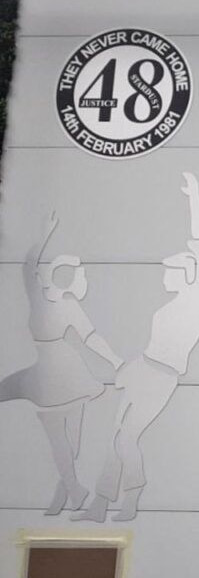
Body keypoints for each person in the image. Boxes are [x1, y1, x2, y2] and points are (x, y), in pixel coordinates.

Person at [77, 173, 199, 523]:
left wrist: (193, 196)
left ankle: (132, 498)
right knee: (114, 434)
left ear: (188, 273)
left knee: (127, 438)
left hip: (163, 375)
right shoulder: (173, 303)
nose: (165, 274)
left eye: (172, 268)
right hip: (144, 365)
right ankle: (99, 504)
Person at [0, 213, 123, 515]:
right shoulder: (43, 300)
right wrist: (45, 233)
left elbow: (92, 338)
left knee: (71, 441)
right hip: (53, 374)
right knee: (62, 439)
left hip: (67, 373)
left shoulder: (63, 305)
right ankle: (73, 489)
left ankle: (66, 493)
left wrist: (116, 361)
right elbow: (29, 265)